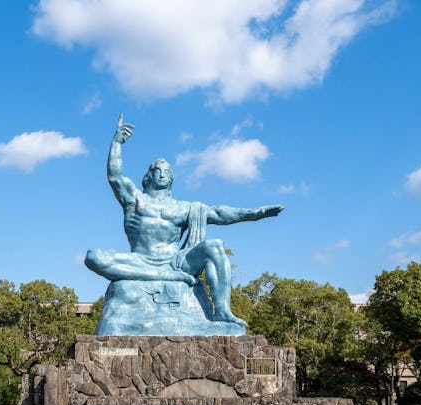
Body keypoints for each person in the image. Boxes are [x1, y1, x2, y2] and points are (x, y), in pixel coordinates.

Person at [85, 115, 283, 326]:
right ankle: (164, 276)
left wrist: (256, 213)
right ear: (148, 176)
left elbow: (219, 214)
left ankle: (222, 311)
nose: (162, 173)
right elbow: (115, 176)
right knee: (93, 257)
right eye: (157, 170)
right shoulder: (134, 199)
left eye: (167, 171)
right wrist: (116, 143)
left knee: (215, 247)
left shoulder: (184, 208)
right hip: (140, 260)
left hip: (176, 263)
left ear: (172, 179)